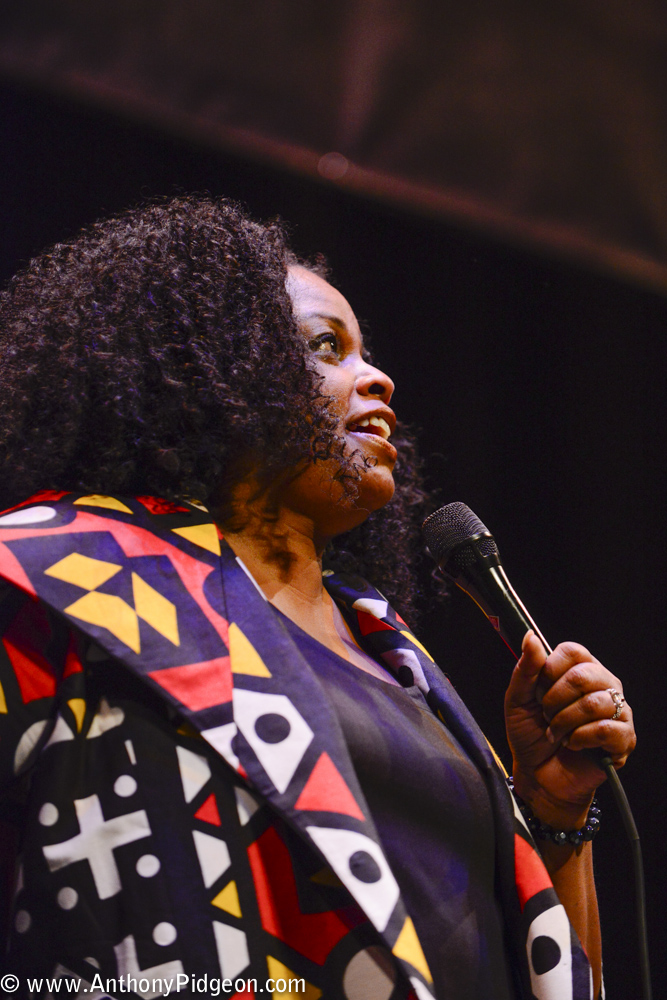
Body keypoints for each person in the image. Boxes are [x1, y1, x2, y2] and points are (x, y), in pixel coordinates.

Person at [0, 196, 635, 1000]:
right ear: (210, 371)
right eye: (325, 347)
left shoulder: (388, 651)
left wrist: (551, 810)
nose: (377, 377)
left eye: (365, 351)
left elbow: (549, 971)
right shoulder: (53, 579)